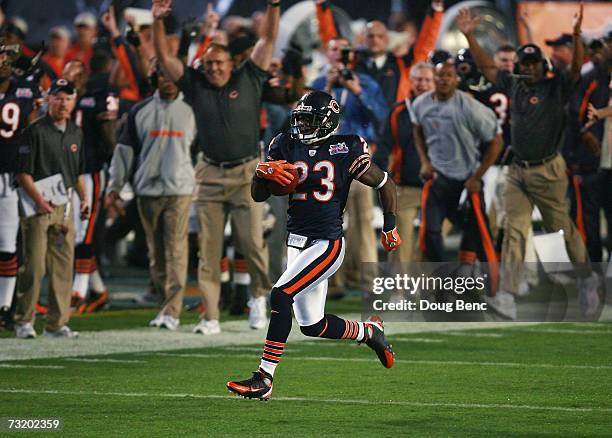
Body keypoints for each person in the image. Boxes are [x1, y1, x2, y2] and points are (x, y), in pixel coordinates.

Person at [226, 90, 401, 400]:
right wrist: (260, 175)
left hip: (327, 242)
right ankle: (369, 333)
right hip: (296, 240)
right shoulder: (284, 144)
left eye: (310, 120)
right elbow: (259, 195)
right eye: (301, 119)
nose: (303, 126)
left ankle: (264, 378)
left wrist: (389, 226)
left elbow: (385, 182)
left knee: (281, 295)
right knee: (312, 325)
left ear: (328, 122)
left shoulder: (346, 147)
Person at [458, 5, 599, 319]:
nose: (531, 68)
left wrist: (577, 37)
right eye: (527, 63)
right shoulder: (515, 84)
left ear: (544, 65)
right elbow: (487, 67)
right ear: (521, 65)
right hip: (517, 169)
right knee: (514, 230)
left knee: (560, 227)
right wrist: (470, 36)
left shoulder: (556, 87)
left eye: (536, 63)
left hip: (548, 168)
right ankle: (507, 294)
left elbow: (576, 71)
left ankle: (587, 278)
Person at [151, 0, 279, 334]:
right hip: (208, 173)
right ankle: (210, 317)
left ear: (231, 62)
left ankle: (259, 297)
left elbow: (267, 41)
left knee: (251, 243)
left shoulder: (248, 77)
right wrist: (158, 22)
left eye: (219, 62)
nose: (214, 69)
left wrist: (275, 6)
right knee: (208, 251)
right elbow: (165, 59)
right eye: (208, 64)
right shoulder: (196, 83)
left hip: (247, 172)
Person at [106, 63, 196, 331]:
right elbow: (124, 151)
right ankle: (164, 302)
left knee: (176, 250)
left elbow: (202, 151)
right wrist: (115, 187)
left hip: (179, 190)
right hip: (147, 191)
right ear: (154, 78)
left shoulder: (192, 110)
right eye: (161, 75)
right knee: (156, 253)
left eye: (171, 75)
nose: (166, 80)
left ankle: (172, 311)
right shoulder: (140, 110)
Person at [14, 78, 88, 338]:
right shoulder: (33, 132)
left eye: (68, 98)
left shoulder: (76, 132)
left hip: (64, 205)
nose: (63, 103)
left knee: (63, 266)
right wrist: (39, 201)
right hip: (37, 207)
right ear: (48, 100)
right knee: (34, 266)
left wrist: (84, 198)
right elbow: (23, 173)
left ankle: (57, 323)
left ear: (74, 101)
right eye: (58, 97)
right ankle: (23, 320)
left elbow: (78, 172)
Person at [411, 62, 502, 273]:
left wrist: (478, 176)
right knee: (430, 232)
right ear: (434, 77)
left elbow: (496, 141)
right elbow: (418, 130)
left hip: (466, 181)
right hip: (439, 179)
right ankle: (448, 282)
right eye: (440, 75)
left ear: (456, 79)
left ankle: (495, 290)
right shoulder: (421, 104)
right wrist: (425, 161)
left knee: (479, 233)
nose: (444, 79)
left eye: (449, 75)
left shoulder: (471, 108)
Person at [63, 55, 117, 313]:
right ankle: (97, 289)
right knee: (69, 235)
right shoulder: (58, 101)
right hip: (62, 176)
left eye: (75, 75)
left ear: (84, 77)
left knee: (83, 234)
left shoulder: (94, 100)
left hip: (89, 173)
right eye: (67, 75)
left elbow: (110, 140)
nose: (70, 81)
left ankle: (78, 292)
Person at [374, 62, 435, 262]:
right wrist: (383, 181)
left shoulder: (445, 109)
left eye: (427, 79)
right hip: (405, 186)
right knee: (400, 244)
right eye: (418, 79)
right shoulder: (398, 111)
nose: (422, 84)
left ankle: (431, 287)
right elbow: (383, 147)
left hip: (437, 187)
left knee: (432, 242)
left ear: (435, 82)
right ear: (411, 81)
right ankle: (399, 291)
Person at [0, 40, 41, 330]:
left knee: (7, 246)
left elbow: (33, 130)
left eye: (6, 57)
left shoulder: (24, 90)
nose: (3, 62)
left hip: (8, 178)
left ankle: (4, 307)